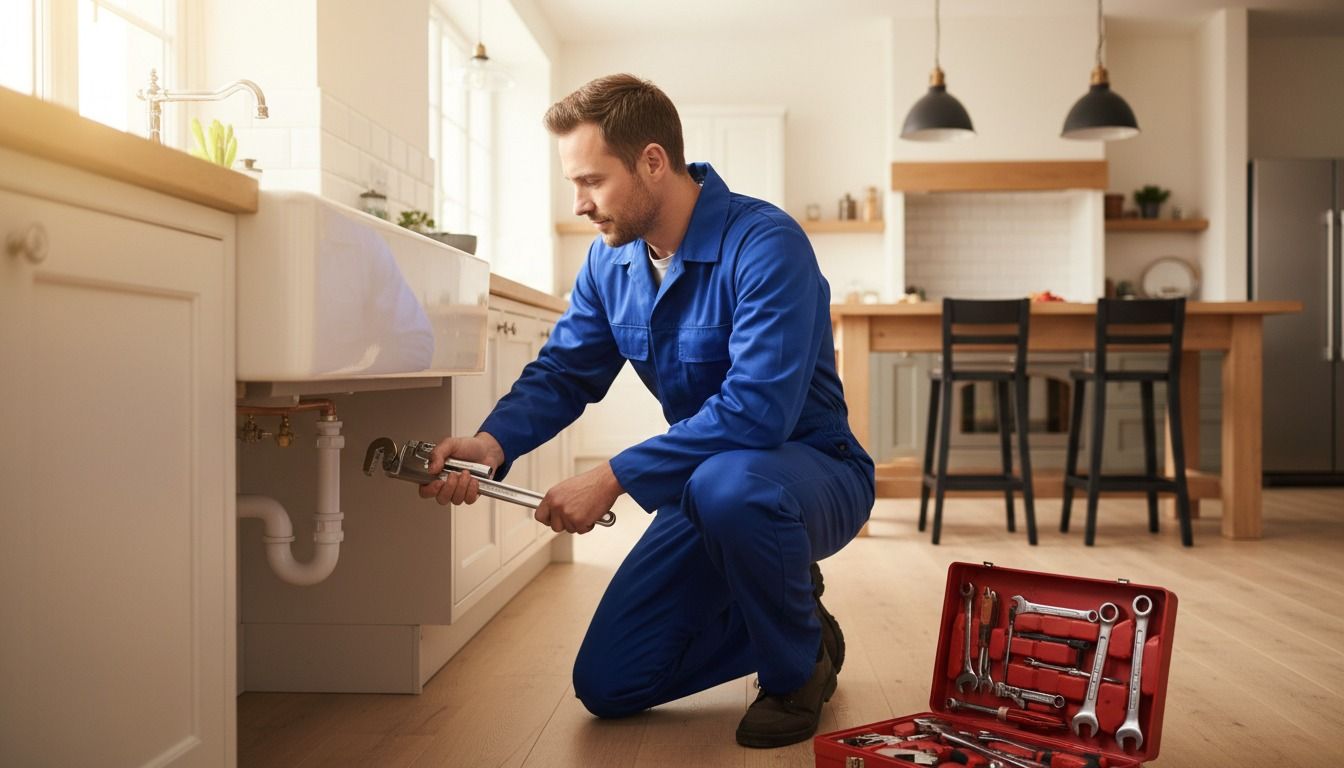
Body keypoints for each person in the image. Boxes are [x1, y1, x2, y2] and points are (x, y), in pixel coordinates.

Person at [419, 73, 875, 748]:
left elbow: (756, 415)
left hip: (812, 475)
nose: (578, 203)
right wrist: (491, 442)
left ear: (653, 162)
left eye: (592, 181)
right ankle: (791, 611)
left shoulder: (766, 245)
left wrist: (609, 478)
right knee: (609, 683)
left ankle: (795, 668)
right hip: (708, 490)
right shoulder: (611, 266)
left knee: (730, 484)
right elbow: (564, 372)